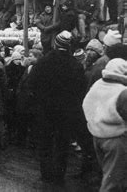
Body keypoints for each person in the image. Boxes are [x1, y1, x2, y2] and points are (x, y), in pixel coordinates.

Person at [28, 31, 86, 184]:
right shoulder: (76, 65)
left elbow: (31, 83)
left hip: (45, 109)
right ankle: (59, 175)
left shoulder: (44, 62)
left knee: (45, 142)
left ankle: (46, 174)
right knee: (62, 143)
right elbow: (81, 89)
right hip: (66, 112)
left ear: (55, 43)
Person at [82, 58, 127, 191]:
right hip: (117, 138)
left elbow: (86, 104)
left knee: (108, 174)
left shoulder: (97, 85)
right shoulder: (122, 91)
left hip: (97, 136)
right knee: (113, 181)